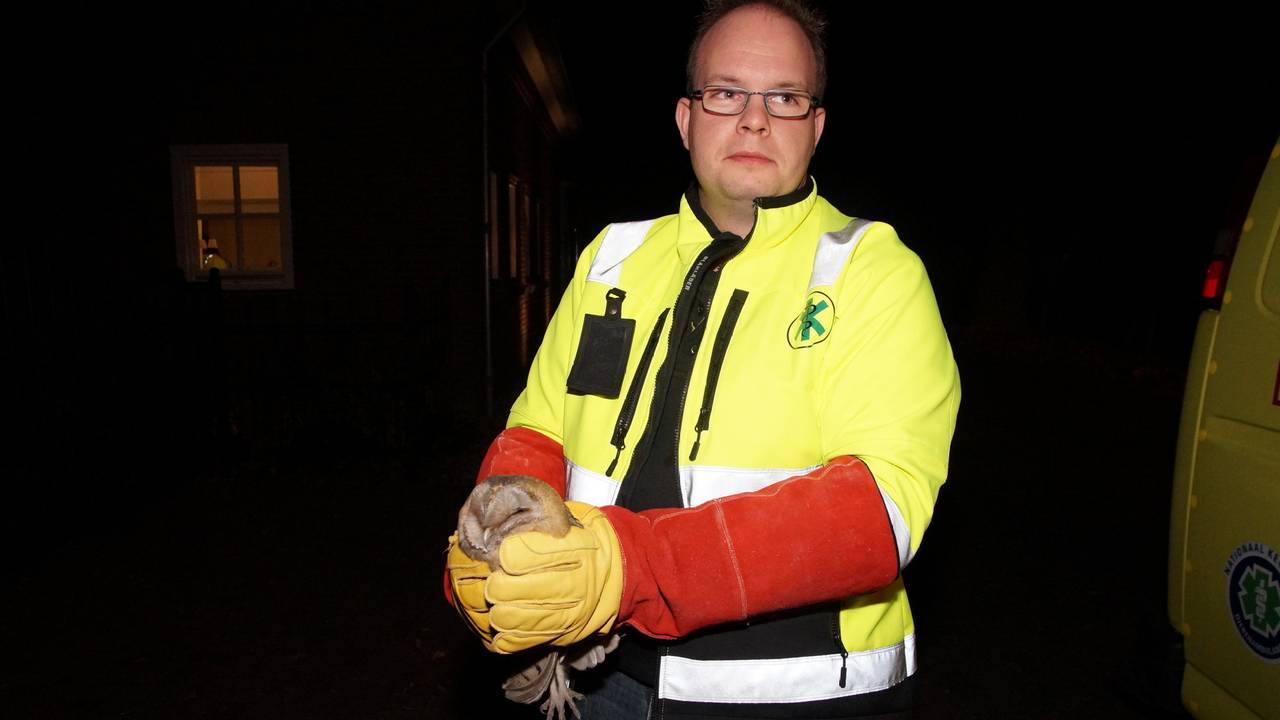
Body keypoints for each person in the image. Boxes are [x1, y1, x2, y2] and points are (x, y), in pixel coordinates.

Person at [446, 1, 960, 717]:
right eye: (727, 93)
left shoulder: (873, 271)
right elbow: (537, 431)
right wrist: (499, 543)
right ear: (687, 119)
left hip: (795, 697)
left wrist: (627, 568)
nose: (755, 119)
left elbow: (880, 510)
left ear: (815, 127)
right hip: (600, 681)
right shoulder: (611, 257)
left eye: (784, 97)